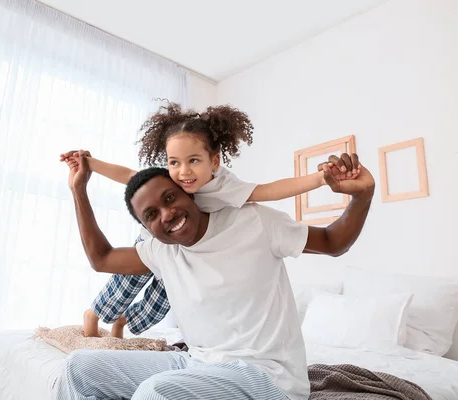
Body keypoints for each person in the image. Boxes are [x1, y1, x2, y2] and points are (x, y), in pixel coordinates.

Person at [58, 148, 375, 400]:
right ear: (146, 229)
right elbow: (101, 258)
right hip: (197, 365)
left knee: (155, 394)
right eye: (152, 215)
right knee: (79, 367)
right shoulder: (162, 250)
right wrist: (79, 189)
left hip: (268, 379)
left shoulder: (253, 222)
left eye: (170, 199)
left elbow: (333, 243)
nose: (167, 214)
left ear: (189, 193)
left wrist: (362, 196)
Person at [60, 102, 360, 338]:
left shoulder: (225, 187)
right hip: (158, 238)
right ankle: (96, 313)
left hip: (192, 250)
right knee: (129, 280)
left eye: (193, 161)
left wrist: (320, 178)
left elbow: (270, 190)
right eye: (174, 162)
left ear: (214, 161)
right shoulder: (171, 180)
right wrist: (90, 163)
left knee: (162, 301)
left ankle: (123, 322)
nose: (183, 172)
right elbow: (129, 176)